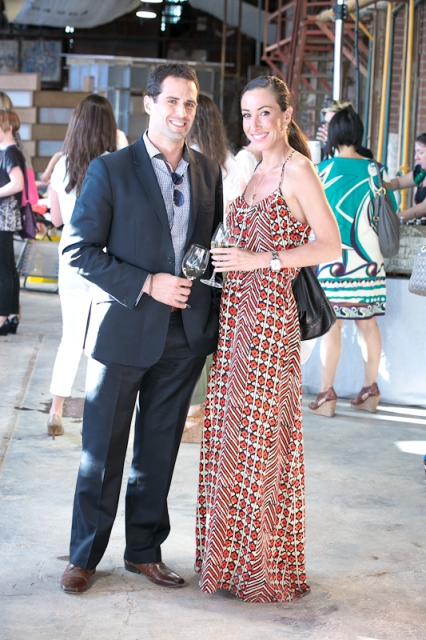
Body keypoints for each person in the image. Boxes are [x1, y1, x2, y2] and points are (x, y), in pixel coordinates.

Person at [59, 62, 223, 594]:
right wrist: (147, 282)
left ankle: (144, 552)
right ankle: (84, 556)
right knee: (101, 451)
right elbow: (78, 250)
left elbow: (210, 248)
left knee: (158, 451)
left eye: (189, 103)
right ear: (149, 103)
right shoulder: (111, 169)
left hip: (184, 336)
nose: (181, 113)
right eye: (171, 101)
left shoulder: (207, 171)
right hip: (125, 329)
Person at [195, 75, 341, 602]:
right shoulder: (252, 169)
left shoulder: (298, 170)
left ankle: (263, 567)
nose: (254, 123)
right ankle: (229, 563)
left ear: (285, 114)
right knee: (230, 437)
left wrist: (264, 260)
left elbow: (330, 246)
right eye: (246, 114)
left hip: (269, 323)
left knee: (261, 443)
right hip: (235, 318)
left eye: (264, 112)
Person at [308, 108, 397, 418]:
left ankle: (326, 394)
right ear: (360, 134)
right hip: (370, 261)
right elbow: (390, 209)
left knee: (332, 326)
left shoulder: (321, 171)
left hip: (334, 259)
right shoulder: (376, 170)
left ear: (332, 136)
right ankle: (370, 389)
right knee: (368, 324)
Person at [47, 95, 118, 439]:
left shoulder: (62, 164)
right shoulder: (113, 163)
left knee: (71, 336)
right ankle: (96, 414)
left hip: (70, 255)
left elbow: (56, 219)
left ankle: (56, 409)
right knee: (101, 339)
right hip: (104, 257)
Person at [185, 94, 240, 433]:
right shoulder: (231, 162)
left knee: (190, 332)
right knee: (213, 332)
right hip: (228, 260)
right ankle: (204, 408)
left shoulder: (187, 158)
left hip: (193, 259)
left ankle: (192, 409)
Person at [0, 109, 26, 336]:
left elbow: (17, 183)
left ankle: (3, 317)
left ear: (7, 127)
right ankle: (9, 315)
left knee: (3, 269)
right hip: (6, 216)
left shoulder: (9, 151)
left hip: (4, 217)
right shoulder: (9, 151)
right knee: (8, 267)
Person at [384, 133, 426, 220]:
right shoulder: (421, 172)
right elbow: (398, 182)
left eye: (420, 152)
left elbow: (424, 208)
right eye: (416, 152)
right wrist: (377, 187)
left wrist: (394, 218)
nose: (416, 157)